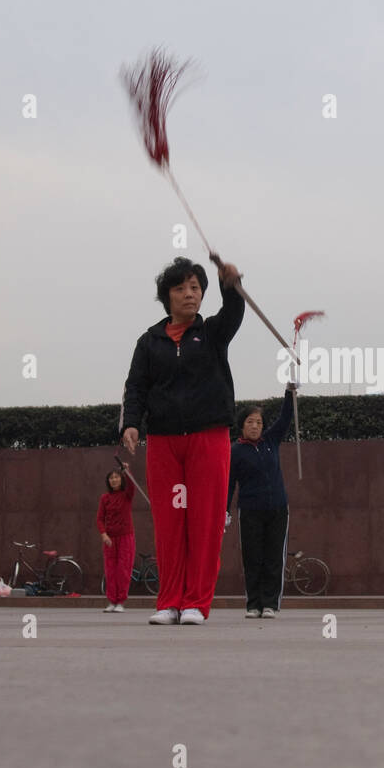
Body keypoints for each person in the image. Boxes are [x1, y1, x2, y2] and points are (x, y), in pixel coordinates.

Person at [119, 255, 244, 625]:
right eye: (181, 288)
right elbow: (136, 387)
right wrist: (131, 424)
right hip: (164, 442)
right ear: (167, 296)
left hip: (209, 437)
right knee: (169, 523)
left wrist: (230, 285)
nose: (190, 295)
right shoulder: (149, 342)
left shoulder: (212, 333)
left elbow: (234, 312)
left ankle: (196, 603)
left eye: (196, 288)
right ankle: (169, 601)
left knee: (204, 521)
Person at [226, 383, 297, 619]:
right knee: (252, 557)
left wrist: (289, 391)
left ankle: (270, 604)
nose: (255, 426)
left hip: (277, 508)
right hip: (249, 511)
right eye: (250, 422)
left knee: (274, 557)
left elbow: (286, 417)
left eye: (258, 422)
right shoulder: (234, 451)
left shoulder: (270, 441)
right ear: (242, 425)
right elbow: (229, 483)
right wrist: (224, 510)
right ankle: (253, 604)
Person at [97, 464, 136, 613]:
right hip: (110, 540)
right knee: (110, 570)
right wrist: (104, 534)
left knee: (123, 570)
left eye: (116, 477)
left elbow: (132, 485)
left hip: (126, 537)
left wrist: (126, 470)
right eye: (111, 478)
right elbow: (100, 519)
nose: (114, 480)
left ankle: (121, 602)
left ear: (121, 480)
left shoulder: (127, 494)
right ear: (108, 481)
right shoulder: (105, 498)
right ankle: (112, 601)